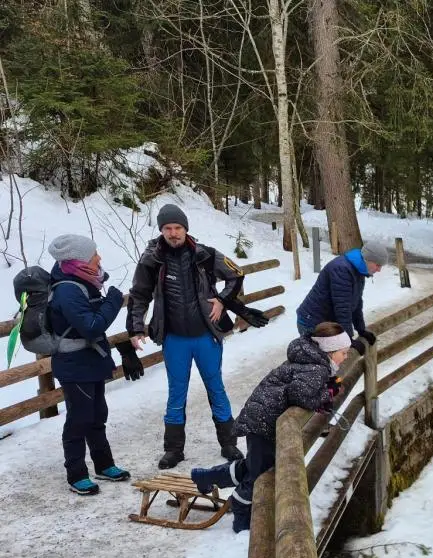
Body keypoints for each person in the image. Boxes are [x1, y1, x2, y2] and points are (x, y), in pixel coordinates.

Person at [126, 203, 269, 469]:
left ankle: (229, 443)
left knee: (216, 387)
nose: (173, 233)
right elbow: (139, 295)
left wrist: (222, 301)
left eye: (178, 227)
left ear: (186, 228)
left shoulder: (204, 254)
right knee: (176, 392)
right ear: (161, 231)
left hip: (206, 336)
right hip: (175, 338)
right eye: (168, 228)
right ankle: (174, 450)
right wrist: (135, 328)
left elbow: (236, 274)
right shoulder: (151, 260)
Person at [189, 323, 347, 532]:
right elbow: (300, 394)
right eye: (344, 353)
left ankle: (207, 477)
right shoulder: (317, 368)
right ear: (330, 351)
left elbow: (301, 389)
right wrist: (329, 393)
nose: (345, 357)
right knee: (259, 472)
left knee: (255, 464)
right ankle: (241, 509)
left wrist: (325, 388)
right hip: (265, 422)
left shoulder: (311, 361)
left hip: (262, 417)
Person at [43, 234, 140, 495]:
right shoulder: (67, 290)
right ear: (79, 260)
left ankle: (104, 464)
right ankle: (76, 474)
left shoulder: (83, 281)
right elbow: (91, 325)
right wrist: (113, 301)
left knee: (97, 415)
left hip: (91, 361)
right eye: (94, 254)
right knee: (79, 419)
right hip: (75, 365)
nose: (99, 258)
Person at [295, 241, 388, 355]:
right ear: (368, 259)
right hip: (312, 322)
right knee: (320, 364)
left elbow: (356, 302)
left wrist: (361, 329)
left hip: (326, 322)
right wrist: (348, 339)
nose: (379, 270)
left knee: (331, 363)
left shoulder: (358, 270)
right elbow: (342, 307)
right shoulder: (342, 269)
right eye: (378, 265)